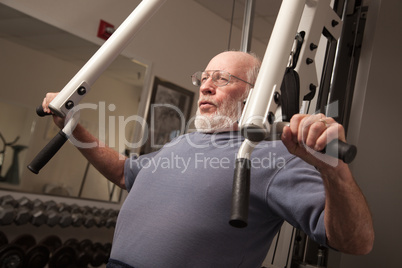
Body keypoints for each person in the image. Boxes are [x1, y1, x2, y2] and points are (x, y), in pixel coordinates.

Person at [42, 51, 374, 267]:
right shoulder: (182, 143)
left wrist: (336, 171)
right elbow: (122, 172)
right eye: (204, 78)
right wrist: (73, 129)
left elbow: (355, 242)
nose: (206, 87)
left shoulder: (279, 154)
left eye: (222, 79)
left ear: (255, 96)